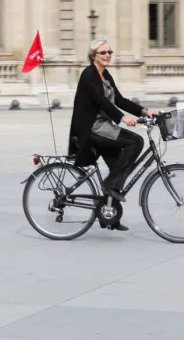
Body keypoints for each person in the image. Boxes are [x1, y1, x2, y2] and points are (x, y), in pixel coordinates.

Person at [68, 38, 152, 231]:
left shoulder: (105, 74)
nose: (107, 55)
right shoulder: (89, 74)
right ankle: (108, 185)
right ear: (93, 55)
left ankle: (109, 217)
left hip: (103, 126)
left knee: (118, 169)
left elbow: (119, 100)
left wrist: (143, 111)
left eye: (109, 52)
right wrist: (122, 118)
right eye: (103, 52)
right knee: (135, 141)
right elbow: (101, 101)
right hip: (91, 127)